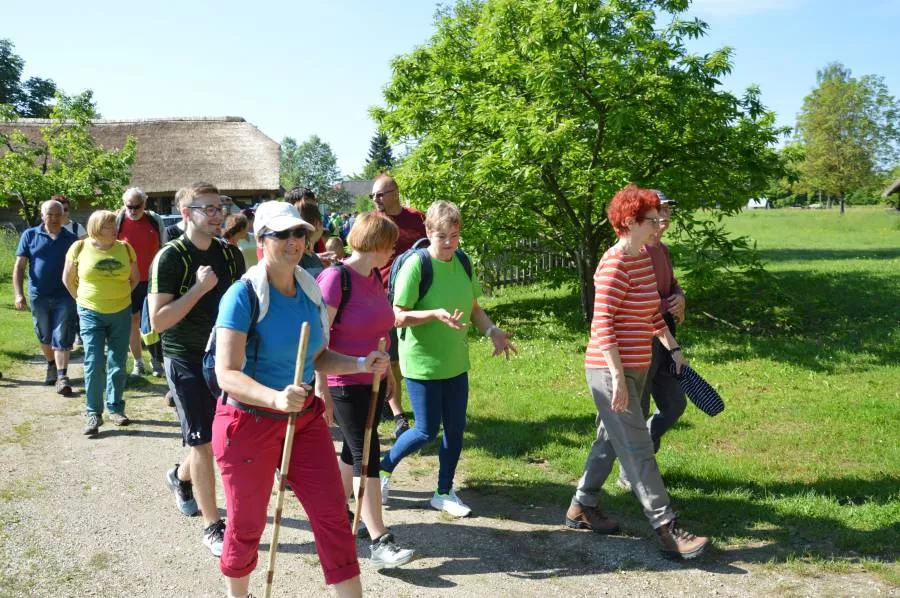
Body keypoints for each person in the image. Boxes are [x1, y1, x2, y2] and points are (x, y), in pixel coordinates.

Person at [213, 201, 390, 597]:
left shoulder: (310, 288)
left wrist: (361, 361)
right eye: (282, 235)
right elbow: (227, 373)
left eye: (299, 233)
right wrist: (275, 398)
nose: (294, 242)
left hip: (303, 418)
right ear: (261, 240)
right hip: (247, 422)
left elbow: (318, 357)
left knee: (332, 515)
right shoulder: (242, 296)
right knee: (246, 524)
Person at [565, 185, 708, 560]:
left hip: (640, 361)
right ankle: (667, 528)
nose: (659, 223)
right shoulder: (612, 264)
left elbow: (651, 314)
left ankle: (582, 506)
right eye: (651, 219)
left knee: (611, 439)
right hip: (611, 368)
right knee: (638, 447)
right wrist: (617, 379)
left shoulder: (644, 257)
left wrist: (673, 348)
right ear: (629, 223)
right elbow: (602, 326)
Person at [379, 201, 516, 518]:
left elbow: (474, 308)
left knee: (455, 429)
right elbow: (397, 316)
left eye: (455, 235)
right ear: (428, 231)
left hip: (455, 362)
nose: (450, 243)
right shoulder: (417, 265)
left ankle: (443, 491)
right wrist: (433, 315)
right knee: (426, 430)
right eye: (442, 236)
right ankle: (384, 469)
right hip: (422, 362)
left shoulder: (463, 262)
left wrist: (492, 331)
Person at [148, 182, 245, 556]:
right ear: (187, 213)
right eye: (208, 208)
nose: (218, 214)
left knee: (219, 437)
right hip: (184, 355)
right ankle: (212, 526)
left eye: (220, 207)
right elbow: (158, 321)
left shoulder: (231, 255)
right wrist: (199, 290)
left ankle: (179, 477)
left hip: (224, 357)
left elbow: (244, 303)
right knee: (203, 441)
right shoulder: (170, 257)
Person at [315, 212, 415, 570]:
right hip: (343, 381)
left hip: (371, 379)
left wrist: (387, 371)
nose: (393, 251)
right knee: (367, 454)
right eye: (390, 244)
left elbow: (381, 328)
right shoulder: (334, 279)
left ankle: (336, 513)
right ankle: (378, 539)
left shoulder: (374, 277)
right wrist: (321, 387)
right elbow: (319, 339)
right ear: (375, 244)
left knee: (353, 451)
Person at [617, 194, 687, 491]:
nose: (665, 215)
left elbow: (671, 286)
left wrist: (681, 298)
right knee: (639, 407)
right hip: (640, 340)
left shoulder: (663, 250)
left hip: (664, 336)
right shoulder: (636, 249)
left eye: (668, 210)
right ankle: (630, 471)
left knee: (674, 405)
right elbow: (635, 299)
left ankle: (641, 449)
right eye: (660, 210)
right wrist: (661, 305)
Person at [63, 211, 139, 435]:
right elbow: (67, 279)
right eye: (108, 226)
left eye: (114, 225)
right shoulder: (79, 248)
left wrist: (121, 296)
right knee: (94, 361)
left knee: (118, 360)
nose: (114, 229)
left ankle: (115, 408)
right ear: (96, 227)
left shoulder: (125, 248)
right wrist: (82, 300)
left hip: (121, 311)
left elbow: (134, 279)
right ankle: (93, 413)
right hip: (90, 312)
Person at [371, 174, 427, 438]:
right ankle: (399, 416)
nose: (376, 200)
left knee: (414, 354)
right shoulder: (374, 223)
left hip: (419, 296)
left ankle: (402, 402)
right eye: (373, 196)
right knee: (391, 358)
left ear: (395, 192)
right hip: (385, 297)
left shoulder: (417, 219)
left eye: (380, 194)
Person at [13, 199, 78, 394]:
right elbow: (19, 266)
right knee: (44, 334)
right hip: (38, 295)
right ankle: (51, 363)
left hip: (65, 296)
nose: (54, 218)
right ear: (42, 215)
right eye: (50, 214)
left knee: (63, 333)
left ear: (64, 216)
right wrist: (18, 294)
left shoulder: (72, 239)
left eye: (58, 214)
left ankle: (62, 376)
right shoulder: (30, 235)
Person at [116, 187, 166, 378]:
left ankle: (156, 360)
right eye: (129, 206)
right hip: (128, 281)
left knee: (154, 322)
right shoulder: (118, 221)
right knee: (132, 321)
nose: (133, 210)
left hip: (153, 280)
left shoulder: (154, 220)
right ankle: (138, 362)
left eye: (137, 206)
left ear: (144, 204)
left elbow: (164, 246)